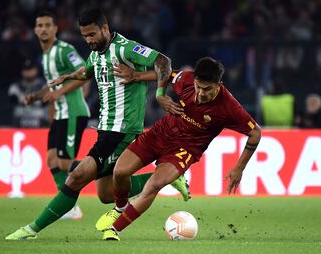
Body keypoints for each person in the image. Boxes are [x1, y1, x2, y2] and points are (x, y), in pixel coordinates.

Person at [5, 8, 189, 240]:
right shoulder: (96, 54)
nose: (88, 40)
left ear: (105, 28)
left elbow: (164, 62)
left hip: (121, 130)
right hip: (105, 130)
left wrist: (160, 93)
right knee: (105, 194)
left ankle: (31, 230)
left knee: (76, 177)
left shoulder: (126, 48)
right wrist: (70, 77)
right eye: (84, 36)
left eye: (92, 34)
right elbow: (88, 72)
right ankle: (168, 177)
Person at [97, 56, 262, 241]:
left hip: (184, 149)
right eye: (199, 86)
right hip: (159, 133)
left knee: (153, 186)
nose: (200, 92)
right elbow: (164, 73)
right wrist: (145, 82)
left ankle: (113, 230)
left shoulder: (229, 107)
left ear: (218, 85)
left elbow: (255, 133)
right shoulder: (186, 79)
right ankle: (120, 207)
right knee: (119, 172)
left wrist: (239, 168)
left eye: (207, 89)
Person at [24, 11, 91, 220]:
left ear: (55, 29)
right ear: (35, 30)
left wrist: (59, 93)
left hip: (73, 113)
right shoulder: (45, 56)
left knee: (64, 163)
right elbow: (53, 85)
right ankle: (68, 205)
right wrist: (36, 97)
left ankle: (106, 169)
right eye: (39, 25)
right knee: (51, 159)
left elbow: (85, 73)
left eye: (47, 25)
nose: (43, 29)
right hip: (61, 115)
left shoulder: (64, 50)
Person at [8, 59, 48, 128]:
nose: (28, 72)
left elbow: (45, 101)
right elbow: (13, 99)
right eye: (26, 70)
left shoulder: (43, 86)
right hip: (19, 122)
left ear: (36, 70)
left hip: (40, 122)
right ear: (22, 72)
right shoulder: (15, 86)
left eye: (31, 69)